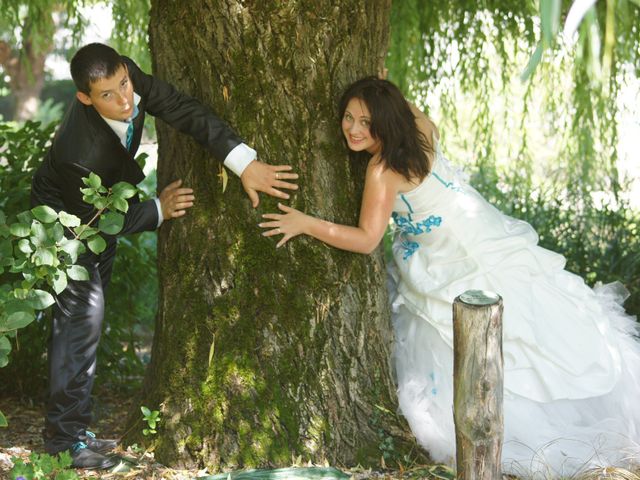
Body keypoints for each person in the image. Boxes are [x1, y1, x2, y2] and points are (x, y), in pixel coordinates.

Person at [259, 76, 640, 475]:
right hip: (479, 230)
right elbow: (407, 110)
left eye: (366, 121)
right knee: (527, 316)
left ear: (386, 121)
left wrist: (305, 222)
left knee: (492, 327)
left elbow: (368, 238)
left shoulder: (381, 169)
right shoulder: (420, 129)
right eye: (348, 118)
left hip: (453, 255)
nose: (354, 129)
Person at [31, 42, 298, 469]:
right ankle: (65, 444)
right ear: (84, 98)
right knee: (81, 319)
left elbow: (182, 109)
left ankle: (74, 431)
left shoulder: (128, 81)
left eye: (124, 84)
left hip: (101, 206)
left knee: (87, 319)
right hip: (66, 221)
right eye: (108, 95)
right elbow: (94, 221)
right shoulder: (78, 153)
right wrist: (156, 210)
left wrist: (244, 162)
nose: (125, 101)